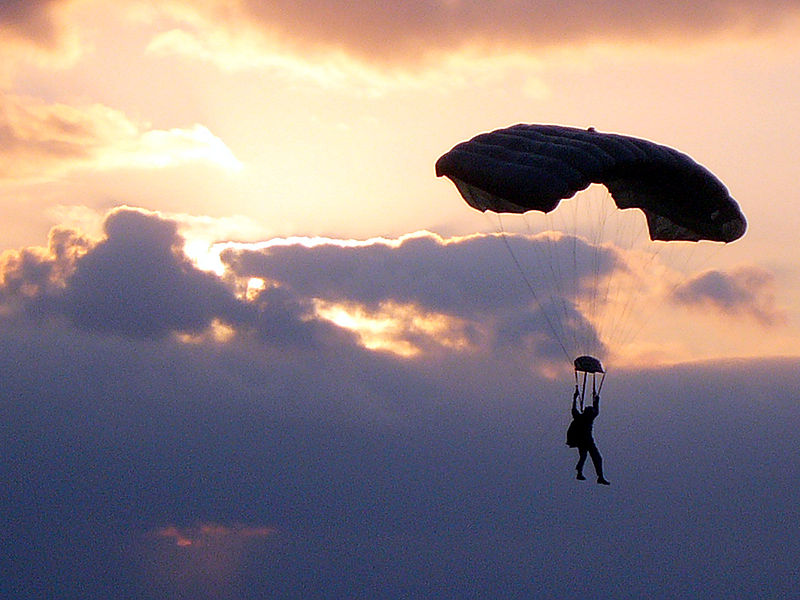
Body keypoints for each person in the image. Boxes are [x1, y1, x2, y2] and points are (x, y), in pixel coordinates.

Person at [566, 385, 610, 485]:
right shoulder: (583, 418)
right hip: (585, 441)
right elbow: (595, 410)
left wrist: (576, 397)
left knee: (586, 457)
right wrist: (595, 399)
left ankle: (587, 474)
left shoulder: (582, 417)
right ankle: (595, 476)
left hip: (586, 441)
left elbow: (594, 410)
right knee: (592, 457)